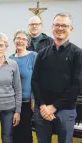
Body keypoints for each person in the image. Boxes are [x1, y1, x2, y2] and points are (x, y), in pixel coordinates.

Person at [31, 12, 82, 143]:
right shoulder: (42, 53)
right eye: (57, 25)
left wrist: (53, 107)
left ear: (71, 28)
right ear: (52, 27)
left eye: (64, 25)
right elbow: (35, 81)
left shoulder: (78, 54)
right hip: (42, 110)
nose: (60, 28)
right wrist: (42, 106)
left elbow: (76, 85)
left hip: (65, 110)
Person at [9, 30, 37, 143]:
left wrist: (33, 98)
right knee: (13, 135)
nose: (20, 41)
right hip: (11, 103)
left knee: (25, 134)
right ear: (14, 40)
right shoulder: (10, 58)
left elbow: (37, 79)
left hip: (27, 103)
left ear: (28, 43)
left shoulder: (33, 56)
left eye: (24, 39)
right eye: (18, 38)